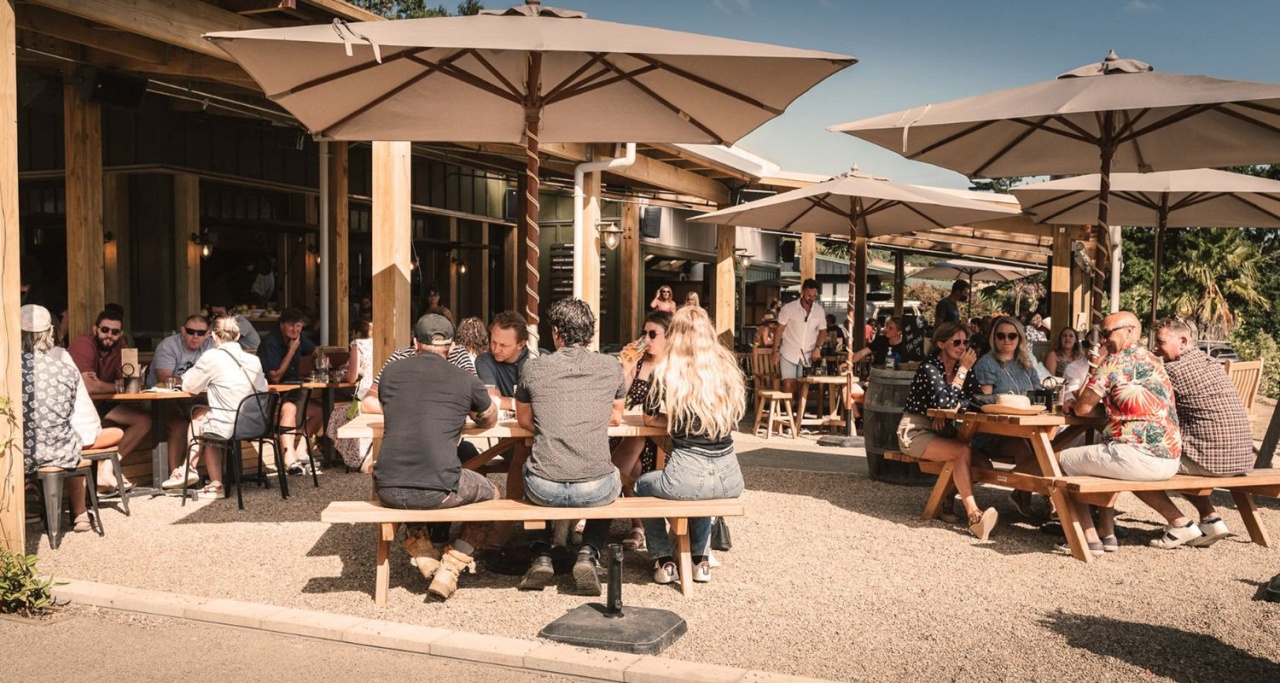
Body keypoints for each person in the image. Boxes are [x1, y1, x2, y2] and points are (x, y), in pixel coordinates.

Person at [372, 314, 499, 600]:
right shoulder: (464, 378)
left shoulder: (391, 373)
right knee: (491, 495)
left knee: (411, 477)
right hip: (437, 490)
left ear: (415, 342)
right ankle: (451, 567)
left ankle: (423, 549)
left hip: (386, 488)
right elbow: (489, 419)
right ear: (452, 347)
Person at [515, 298, 626, 596]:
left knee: (524, 469)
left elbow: (525, 419)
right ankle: (589, 552)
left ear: (556, 333)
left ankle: (541, 553)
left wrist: (552, 422)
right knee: (613, 477)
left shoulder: (533, 368)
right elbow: (615, 417)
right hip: (595, 489)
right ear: (590, 333)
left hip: (544, 488)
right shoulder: (611, 366)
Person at [635, 306, 746, 584]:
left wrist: (674, 415)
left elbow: (648, 416)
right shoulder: (726, 368)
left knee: (641, 485)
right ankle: (701, 560)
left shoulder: (667, 370)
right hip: (730, 477)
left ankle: (664, 560)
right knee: (701, 495)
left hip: (687, 474)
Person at [1059, 312, 1182, 556]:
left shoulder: (1114, 362)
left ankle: (1088, 538)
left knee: (1058, 462)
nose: (1102, 341)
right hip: (1170, 458)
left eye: (1106, 334)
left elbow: (1083, 408)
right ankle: (1108, 533)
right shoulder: (1154, 360)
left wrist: (1097, 366)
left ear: (1129, 331)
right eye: (1100, 336)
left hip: (1137, 458)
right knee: (1098, 460)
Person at [1140, 317, 1254, 549]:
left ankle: (1179, 523)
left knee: (1140, 464)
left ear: (1183, 341)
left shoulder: (1171, 371)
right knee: (1177, 455)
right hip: (1241, 458)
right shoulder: (1210, 363)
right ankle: (1211, 519)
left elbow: (1144, 405)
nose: (1155, 347)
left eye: (1160, 341)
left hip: (1213, 461)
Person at [896, 323, 994, 540]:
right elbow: (945, 401)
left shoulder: (961, 369)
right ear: (940, 344)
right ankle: (974, 516)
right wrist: (962, 374)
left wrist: (947, 409)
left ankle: (946, 495)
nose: (962, 347)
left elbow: (977, 400)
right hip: (916, 430)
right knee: (961, 453)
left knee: (983, 465)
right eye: (956, 342)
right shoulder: (930, 367)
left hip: (944, 431)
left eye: (965, 342)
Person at [174, 316, 270, 500]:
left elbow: (189, 386)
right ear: (238, 335)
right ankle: (189, 468)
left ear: (214, 336)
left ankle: (214, 482)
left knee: (202, 421)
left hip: (229, 426)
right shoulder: (253, 360)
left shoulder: (212, 357)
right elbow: (263, 387)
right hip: (258, 423)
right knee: (204, 416)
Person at [22, 305, 94, 533]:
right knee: (72, 441)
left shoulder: (8, 368)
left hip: (23, 452)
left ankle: (27, 493)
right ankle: (80, 513)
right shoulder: (65, 368)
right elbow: (70, 411)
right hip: (60, 449)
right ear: (49, 334)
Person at [971, 316, 1048, 516]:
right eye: (1001, 335)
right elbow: (986, 401)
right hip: (994, 430)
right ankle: (1035, 497)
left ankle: (1028, 494)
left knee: (1050, 448)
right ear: (994, 338)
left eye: (1012, 335)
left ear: (1019, 338)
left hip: (1025, 428)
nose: (1007, 340)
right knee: (1028, 450)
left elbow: (1038, 393)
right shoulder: (987, 363)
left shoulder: (1025, 362)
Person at [67, 308, 151, 492]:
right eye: (105, 330)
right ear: (95, 329)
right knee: (133, 421)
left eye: (115, 332)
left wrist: (111, 384)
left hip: (100, 404)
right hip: (78, 408)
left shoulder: (121, 346)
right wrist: (118, 386)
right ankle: (100, 474)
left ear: (120, 333)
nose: (109, 335)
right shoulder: (84, 344)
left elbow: (132, 381)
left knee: (144, 420)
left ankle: (106, 470)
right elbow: (89, 387)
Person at [609, 310, 672, 551]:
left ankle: (605, 503)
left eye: (652, 334)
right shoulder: (638, 363)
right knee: (633, 457)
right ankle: (639, 524)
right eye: (643, 333)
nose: (646, 339)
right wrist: (625, 368)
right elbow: (620, 401)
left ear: (669, 337)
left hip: (660, 437)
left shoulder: (672, 367)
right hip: (631, 430)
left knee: (636, 454)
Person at [147, 315, 215, 489]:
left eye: (200, 333)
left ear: (207, 334)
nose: (195, 336)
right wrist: (195, 381)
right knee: (179, 424)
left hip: (191, 399)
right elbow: (164, 379)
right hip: (159, 399)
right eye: (191, 331)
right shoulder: (169, 345)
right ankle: (175, 476)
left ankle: (212, 474)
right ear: (183, 331)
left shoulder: (211, 346)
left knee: (210, 419)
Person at [474, 311, 532, 509]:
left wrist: (506, 401)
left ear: (521, 344)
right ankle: (510, 519)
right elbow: (491, 400)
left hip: (540, 440)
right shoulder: (484, 360)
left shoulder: (538, 360)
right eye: (493, 342)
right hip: (508, 440)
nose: (496, 349)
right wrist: (524, 403)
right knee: (521, 449)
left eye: (504, 345)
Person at [259, 308, 321, 474]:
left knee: (319, 411)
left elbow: (315, 351)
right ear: (281, 325)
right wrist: (292, 350)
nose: (295, 330)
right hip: (270, 396)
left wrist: (321, 362)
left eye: (299, 326)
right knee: (290, 409)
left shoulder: (299, 338)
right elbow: (275, 378)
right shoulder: (270, 342)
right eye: (291, 326)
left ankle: (301, 451)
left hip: (293, 392)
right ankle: (289, 458)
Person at [327, 319, 375, 471]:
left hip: (364, 395)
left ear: (357, 333)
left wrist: (340, 374)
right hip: (378, 393)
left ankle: (356, 457)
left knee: (337, 414)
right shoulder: (379, 343)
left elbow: (351, 377)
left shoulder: (357, 345)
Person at [772, 279, 825, 406]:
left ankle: (799, 420)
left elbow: (823, 331)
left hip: (807, 356)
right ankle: (789, 418)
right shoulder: (788, 309)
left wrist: (818, 347)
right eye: (808, 296)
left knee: (803, 388)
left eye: (814, 296)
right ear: (802, 292)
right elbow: (779, 331)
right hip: (788, 353)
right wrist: (775, 351)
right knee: (788, 385)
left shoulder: (819, 311)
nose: (811, 299)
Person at [850, 316, 919, 368]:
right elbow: (862, 353)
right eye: (886, 327)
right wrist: (849, 362)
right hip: (877, 377)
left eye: (890, 328)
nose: (886, 330)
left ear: (899, 332)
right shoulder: (880, 340)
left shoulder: (906, 346)